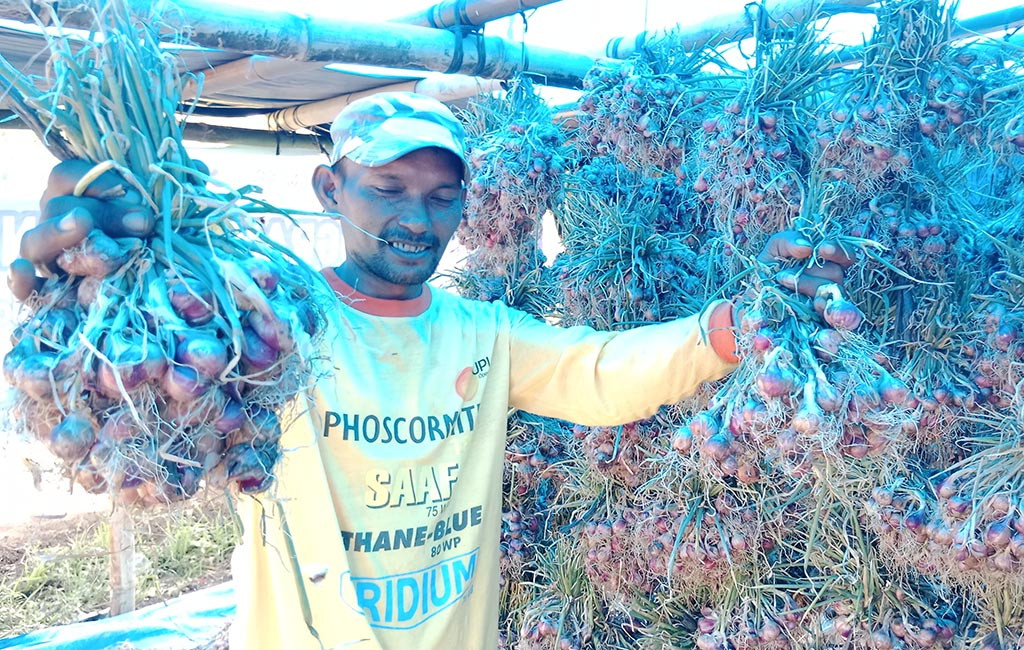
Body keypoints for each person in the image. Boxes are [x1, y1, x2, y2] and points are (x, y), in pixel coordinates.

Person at [9, 92, 853, 649]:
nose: (417, 218)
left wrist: (730, 326)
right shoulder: (274, 320)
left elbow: (601, 371)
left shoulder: (482, 333)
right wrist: (91, 287)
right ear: (328, 187)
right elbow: (142, 393)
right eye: (387, 187)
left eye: (443, 196)